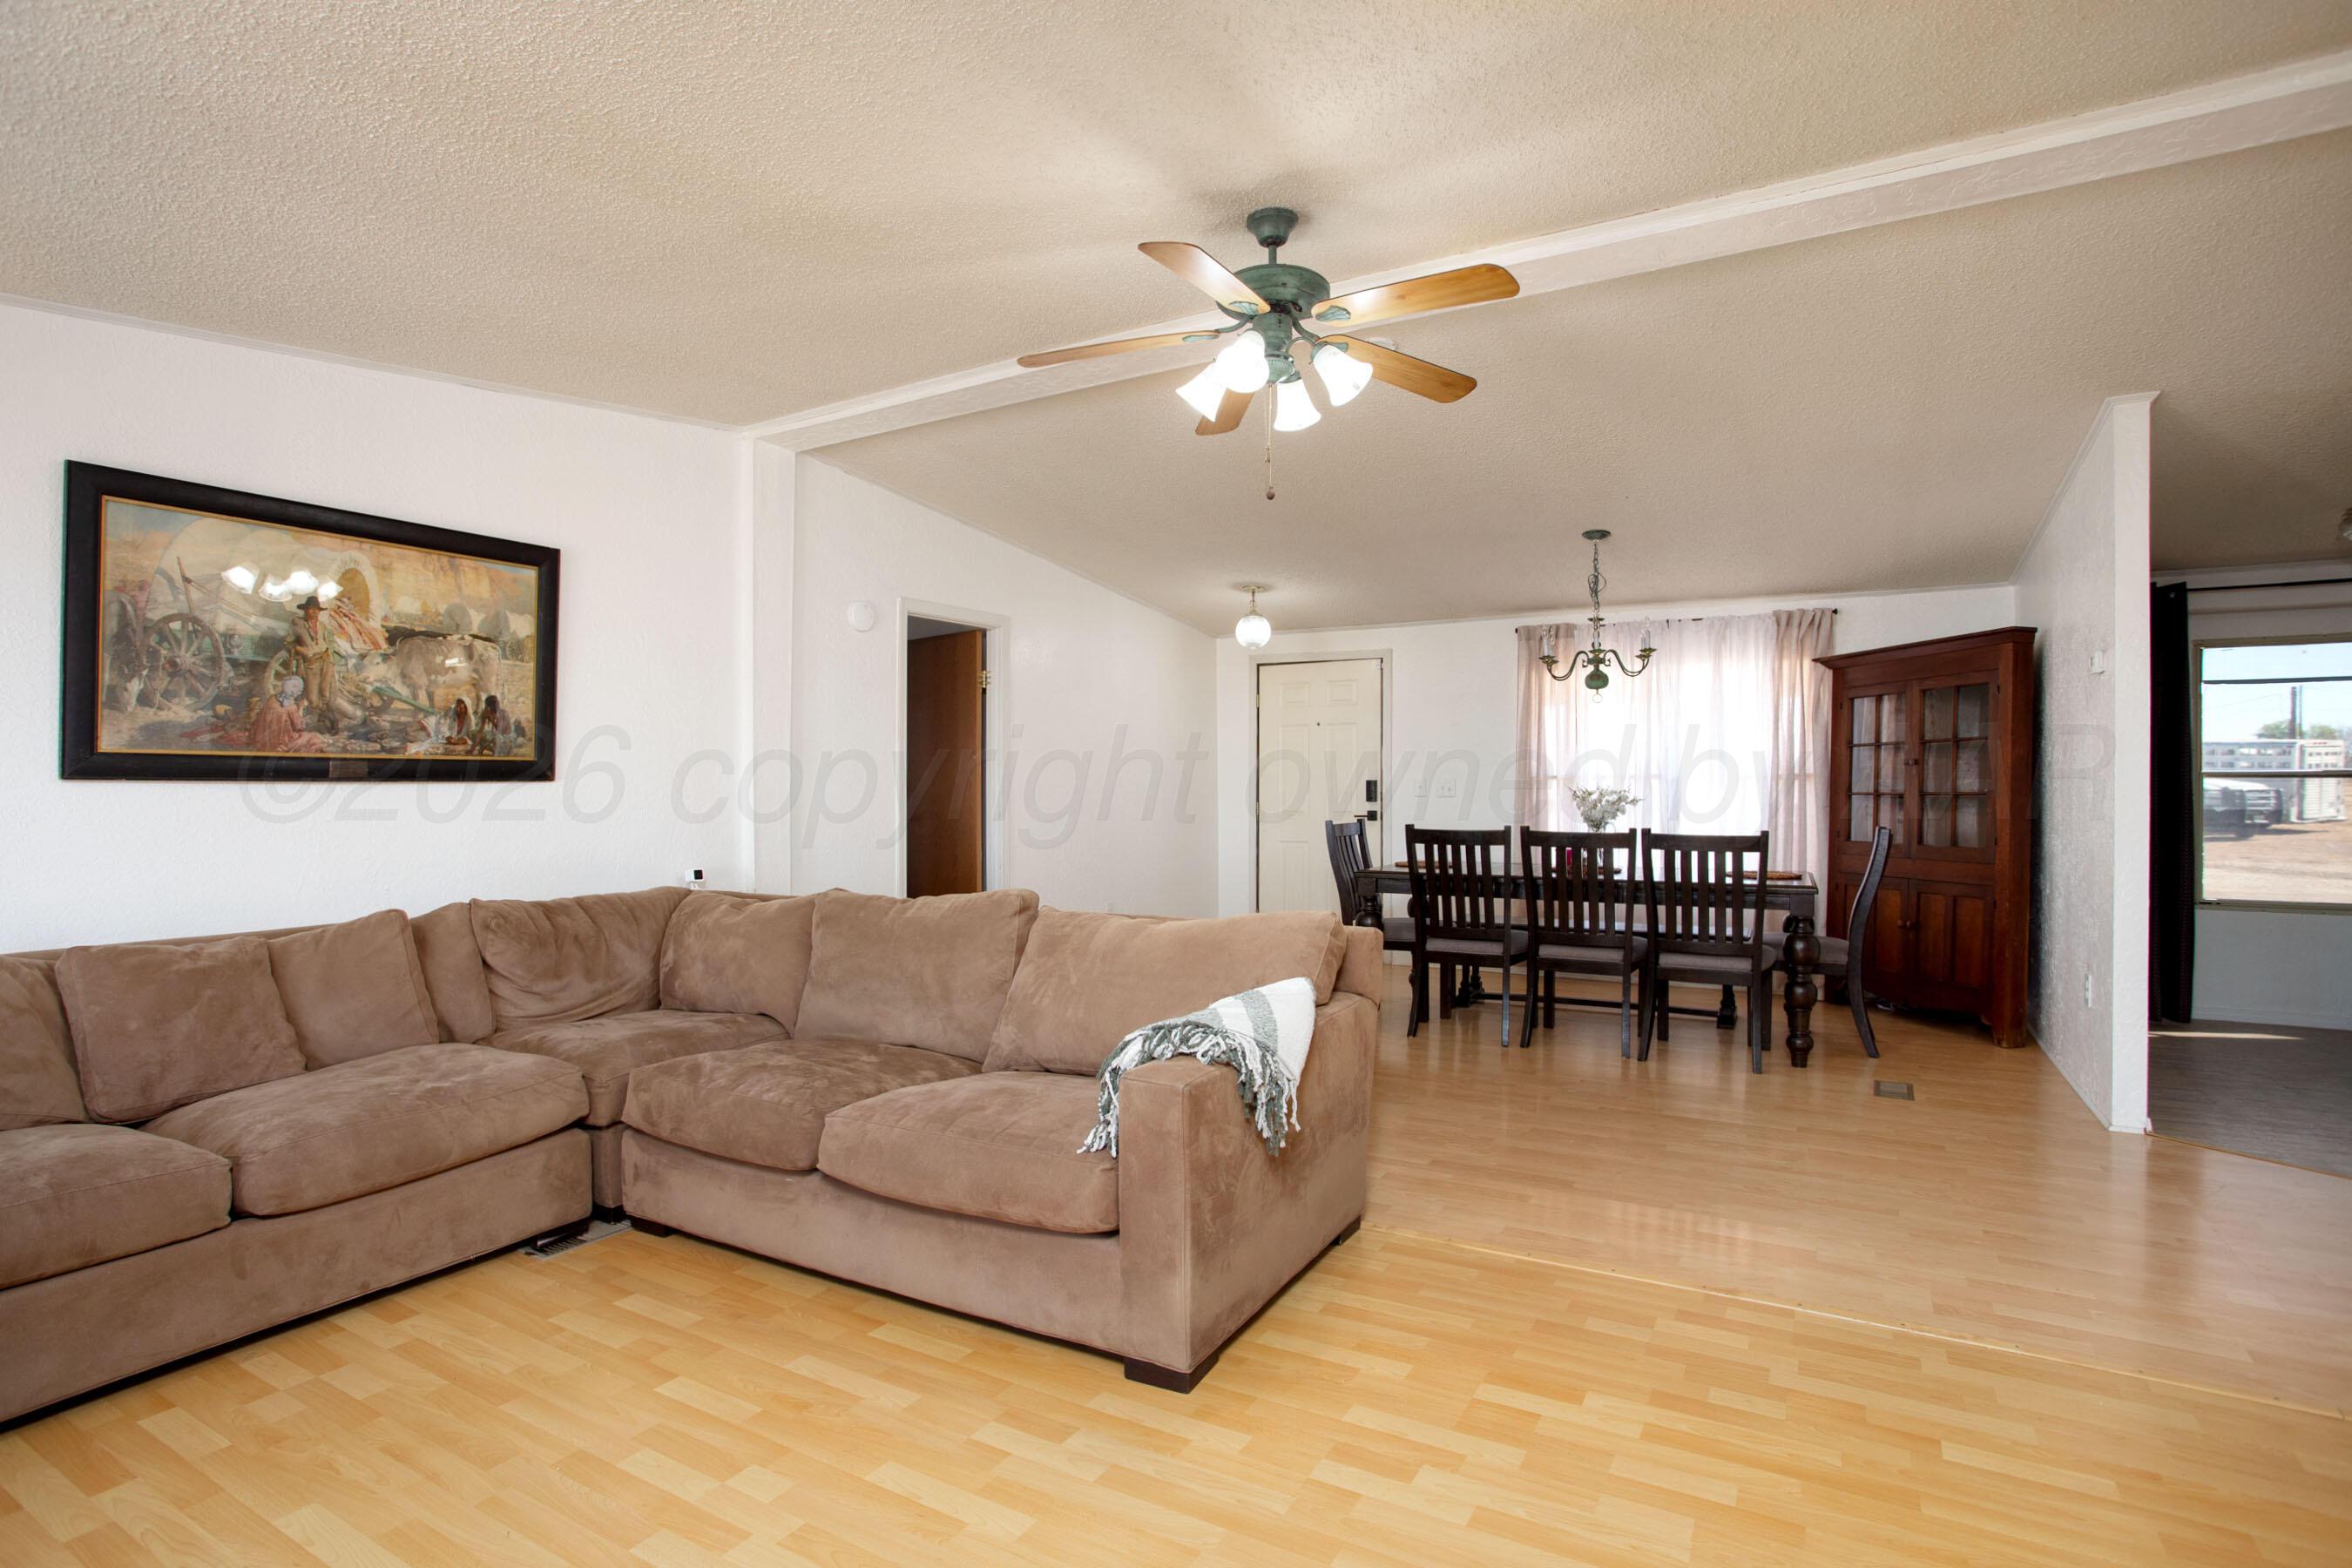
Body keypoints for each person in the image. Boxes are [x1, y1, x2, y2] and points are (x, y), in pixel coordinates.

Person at [287, 596, 360, 729]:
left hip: (326, 660)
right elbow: (289, 643)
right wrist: (302, 650)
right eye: (311, 609)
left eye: (317, 609)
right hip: (311, 662)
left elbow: (329, 643)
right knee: (312, 699)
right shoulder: (298, 623)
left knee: (327, 693)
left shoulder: (322, 626)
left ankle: (328, 717)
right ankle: (324, 713)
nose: (315, 612)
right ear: (305, 610)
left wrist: (331, 658)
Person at [247, 676, 328, 754]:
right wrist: (301, 708)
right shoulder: (291, 707)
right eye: (298, 691)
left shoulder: (271, 699)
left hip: (263, 740)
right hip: (282, 742)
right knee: (314, 738)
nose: (298, 693)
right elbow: (299, 727)